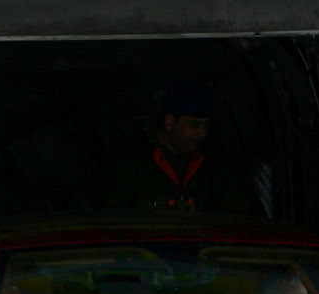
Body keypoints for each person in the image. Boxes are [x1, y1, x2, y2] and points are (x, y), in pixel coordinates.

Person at [100, 81, 261, 217]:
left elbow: (243, 215)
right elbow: (111, 218)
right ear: (170, 122)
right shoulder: (130, 163)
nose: (202, 133)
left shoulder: (216, 166)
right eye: (193, 125)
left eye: (205, 126)